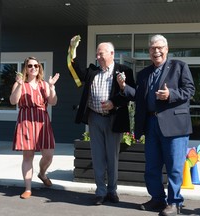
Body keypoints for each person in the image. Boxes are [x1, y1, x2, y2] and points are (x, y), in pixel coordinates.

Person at [119, 34, 195, 216]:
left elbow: (190, 90)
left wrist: (171, 95)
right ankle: (157, 199)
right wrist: (123, 87)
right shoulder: (144, 73)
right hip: (151, 123)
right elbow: (139, 96)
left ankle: (174, 202)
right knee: (152, 166)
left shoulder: (179, 66)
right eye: (153, 48)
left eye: (160, 47)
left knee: (174, 167)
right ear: (149, 51)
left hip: (174, 125)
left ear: (167, 49)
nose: (156, 51)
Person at [68, 36, 136, 205]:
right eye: (97, 54)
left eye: (101, 54)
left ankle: (112, 191)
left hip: (114, 119)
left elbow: (131, 94)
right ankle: (100, 191)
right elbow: (75, 69)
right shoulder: (92, 71)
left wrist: (114, 102)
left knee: (112, 157)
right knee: (97, 156)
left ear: (112, 53)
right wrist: (72, 50)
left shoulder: (124, 70)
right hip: (95, 118)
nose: (98, 57)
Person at [10, 56, 60, 199]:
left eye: (36, 66)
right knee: (28, 157)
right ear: (25, 68)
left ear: (39, 68)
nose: (33, 68)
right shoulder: (20, 83)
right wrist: (19, 85)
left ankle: (42, 173)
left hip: (42, 122)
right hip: (26, 122)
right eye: (30, 66)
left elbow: (53, 102)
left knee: (49, 155)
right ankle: (28, 188)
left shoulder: (44, 84)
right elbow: (13, 101)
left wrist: (52, 88)